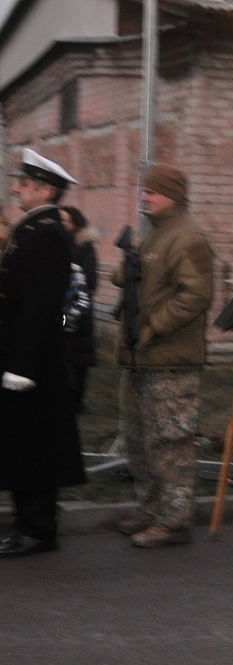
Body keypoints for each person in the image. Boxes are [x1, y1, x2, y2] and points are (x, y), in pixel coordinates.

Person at [113, 163, 214, 548]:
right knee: (139, 440)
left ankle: (175, 521)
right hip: (142, 359)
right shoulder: (154, 235)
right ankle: (152, 509)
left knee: (170, 443)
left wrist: (153, 327)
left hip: (171, 360)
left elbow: (196, 296)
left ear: (172, 194)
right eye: (144, 190)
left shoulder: (188, 238)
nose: (144, 196)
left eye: (152, 191)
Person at [0, 149, 85, 557]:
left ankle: (37, 529)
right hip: (23, 358)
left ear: (46, 189)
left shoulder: (48, 234)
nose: (15, 188)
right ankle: (26, 525)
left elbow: (40, 307)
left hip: (31, 365)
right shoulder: (34, 228)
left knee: (32, 447)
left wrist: (21, 365)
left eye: (24, 183)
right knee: (20, 444)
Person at [58, 205, 98, 413]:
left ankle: (75, 401)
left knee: (77, 357)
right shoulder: (59, 244)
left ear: (75, 223)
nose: (61, 224)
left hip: (77, 312)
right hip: (63, 312)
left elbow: (90, 281)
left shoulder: (84, 246)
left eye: (65, 220)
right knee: (64, 352)